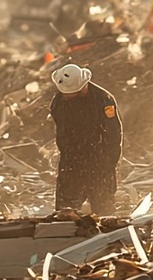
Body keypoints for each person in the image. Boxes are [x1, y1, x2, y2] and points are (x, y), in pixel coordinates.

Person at [49, 63, 121, 215]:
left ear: (82, 86)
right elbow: (60, 129)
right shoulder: (59, 101)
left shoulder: (103, 100)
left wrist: (109, 162)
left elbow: (114, 133)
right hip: (71, 159)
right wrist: (66, 153)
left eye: (70, 93)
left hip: (99, 159)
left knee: (103, 208)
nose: (66, 96)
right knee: (65, 208)